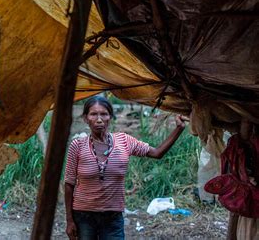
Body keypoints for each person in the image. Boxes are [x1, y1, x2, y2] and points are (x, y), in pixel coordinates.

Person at [64, 96, 188, 240]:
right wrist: (69, 221)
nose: (99, 119)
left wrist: (179, 128)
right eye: (93, 114)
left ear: (110, 117)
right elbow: (69, 184)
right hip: (83, 216)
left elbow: (157, 153)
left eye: (104, 114)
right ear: (86, 118)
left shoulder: (124, 141)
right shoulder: (77, 146)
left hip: (112, 217)